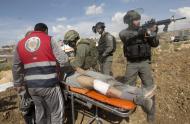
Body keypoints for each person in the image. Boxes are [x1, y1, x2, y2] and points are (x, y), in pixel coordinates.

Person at [62, 30, 156, 115]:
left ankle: (139, 93)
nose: (70, 45)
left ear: (73, 40)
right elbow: (88, 75)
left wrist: (71, 63)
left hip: (87, 72)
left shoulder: (81, 46)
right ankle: (139, 96)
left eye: (70, 43)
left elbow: (78, 64)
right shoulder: (86, 42)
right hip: (89, 73)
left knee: (108, 83)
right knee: (109, 83)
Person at [12, 23, 68, 124]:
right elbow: (63, 60)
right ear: (45, 30)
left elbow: (16, 66)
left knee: (40, 112)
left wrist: (17, 83)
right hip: (49, 85)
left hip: (32, 87)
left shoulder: (20, 43)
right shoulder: (49, 39)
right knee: (56, 113)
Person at [119, 10, 159, 122]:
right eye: (136, 20)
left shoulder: (146, 30)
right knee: (128, 87)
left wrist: (152, 32)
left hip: (145, 63)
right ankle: (127, 109)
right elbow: (125, 35)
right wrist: (141, 32)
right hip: (131, 64)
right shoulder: (124, 32)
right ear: (130, 21)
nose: (138, 21)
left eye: (139, 19)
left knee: (149, 87)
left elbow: (155, 44)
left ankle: (150, 112)